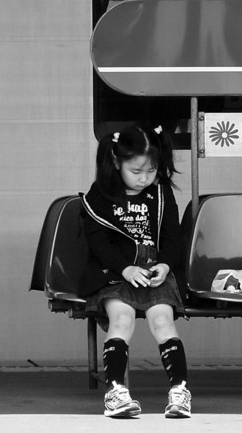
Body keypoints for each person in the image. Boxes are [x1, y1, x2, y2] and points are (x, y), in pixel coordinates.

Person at [78, 125, 191, 419]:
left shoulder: (161, 192)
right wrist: (126, 268)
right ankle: (116, 392)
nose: (145, 178)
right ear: (117, 162)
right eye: (137, 170)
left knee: (163, 321)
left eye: (151, 171)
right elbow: (98, 243)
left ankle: (180, 391)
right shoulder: (100, 195)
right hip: (115, 273)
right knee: (122, 319)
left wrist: (165, 264)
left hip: (155, 271)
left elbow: (172, 236)